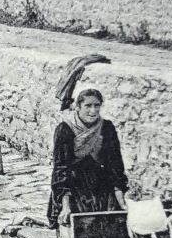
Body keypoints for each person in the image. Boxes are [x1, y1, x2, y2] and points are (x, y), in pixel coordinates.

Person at [46, 87, 129, 227]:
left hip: (99, 182)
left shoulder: (106, 127)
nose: (93, 110)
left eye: (97, 105)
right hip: (74, 183)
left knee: (110, 221)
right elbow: (61, 168)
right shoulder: (65, 129)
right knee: (79, 221)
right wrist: (65, 206)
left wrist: (121, 201)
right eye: (88, 106)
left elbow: (115, 164)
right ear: (78, 107)